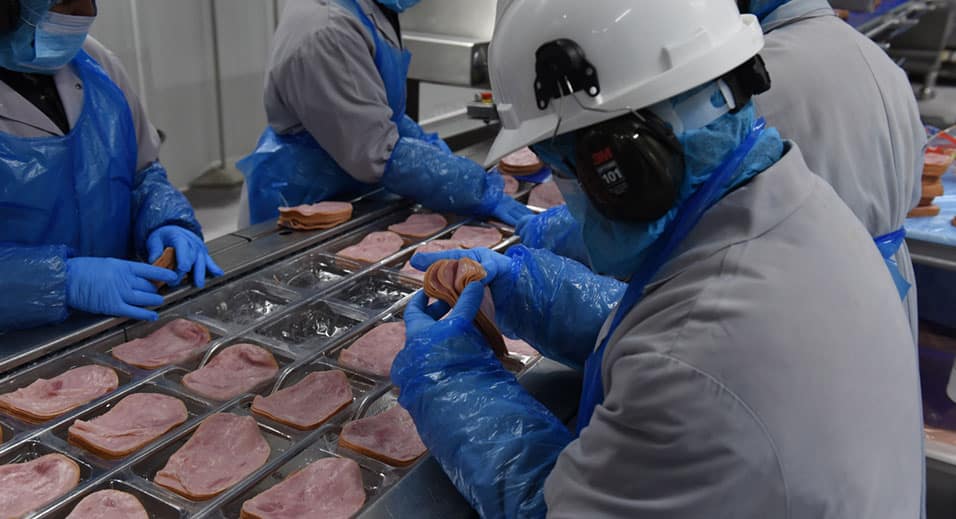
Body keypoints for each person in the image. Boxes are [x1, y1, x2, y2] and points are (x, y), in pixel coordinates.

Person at [392, 1, 925, 517]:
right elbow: (693, 318)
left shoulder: (689, 368)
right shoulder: (801, 207)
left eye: (564, 171)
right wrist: (540, 298)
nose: (569, 196)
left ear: (623, 168)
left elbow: (559, 503)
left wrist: (454, 381)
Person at [0, 0, 221, 331]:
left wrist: (165, 220)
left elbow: (142, 173)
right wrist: (60, 281)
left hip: (119, 318)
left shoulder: (95, 62)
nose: (83, 14)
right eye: (63, 2)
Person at [237, 0, 530, 227]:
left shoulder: (367, 9)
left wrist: (432, 151)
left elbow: (381, 112)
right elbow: (376, 152)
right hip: (303, 197)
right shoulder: (326, 30)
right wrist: (474, 188)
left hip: (347, 184)